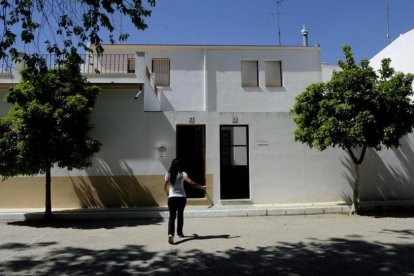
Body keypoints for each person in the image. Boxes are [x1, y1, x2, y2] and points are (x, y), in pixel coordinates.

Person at [164, 158, 206, 245]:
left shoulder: (168, 174)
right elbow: (191, 183)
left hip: (172, 198)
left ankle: (170, 234)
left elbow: (165, 186)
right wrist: (201, 187)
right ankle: (180, 233)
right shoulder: (183, 173)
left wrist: (167, 193)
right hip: (181, 197)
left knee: (172, 217)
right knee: (180, 214)